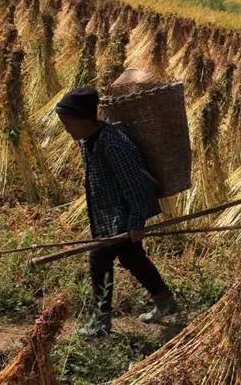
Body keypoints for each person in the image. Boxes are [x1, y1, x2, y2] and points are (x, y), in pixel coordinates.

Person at [54, 86, 177, 337]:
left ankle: (101, 319)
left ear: (83, 119)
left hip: (121, 215)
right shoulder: (87, 140)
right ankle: (164, 299)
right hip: (104, 213)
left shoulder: (114, 143)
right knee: (131, 258)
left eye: (68, 123)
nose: (66, 129)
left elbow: (136, 184)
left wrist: (135, 222)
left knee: (98, 258)